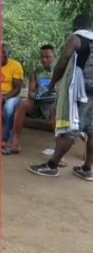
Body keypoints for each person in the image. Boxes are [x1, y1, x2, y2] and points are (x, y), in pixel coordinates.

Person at [29, 14, 93, 180]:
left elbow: (63, 61)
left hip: (82, 91)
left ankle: (52, 165)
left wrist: (52, 83)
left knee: (71, 128)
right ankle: (86, 168)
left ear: (75, 26)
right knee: (92, 130)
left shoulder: (76, 38)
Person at [5, 43, 57, 154]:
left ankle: (58, 149)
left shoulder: (60, 71)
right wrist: (37, 95)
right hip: (39, 103)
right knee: (23, 104)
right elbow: (30, 92)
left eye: (48, 57)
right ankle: (15, 143)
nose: (44, 59)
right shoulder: (36, 73)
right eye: (42, 57)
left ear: (54, 57)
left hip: (54, 103)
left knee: (54, 109)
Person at [0, 43, 25, 150]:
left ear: (7, 54)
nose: (1, 56)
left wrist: (4, 97)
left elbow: (17, 89)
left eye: (3, 53)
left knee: (8, 108)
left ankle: (5, 138)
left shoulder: (15, 65)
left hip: (11, 96)